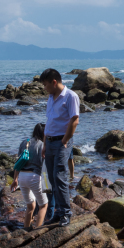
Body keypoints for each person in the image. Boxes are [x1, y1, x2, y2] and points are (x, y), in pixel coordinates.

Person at [41, 68, 79, 227]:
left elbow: (74, 120)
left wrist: (65, 140)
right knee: (51, 177)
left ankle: (66, 213)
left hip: (62, 142)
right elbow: (49, 122)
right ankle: (58, 212)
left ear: (54, 82)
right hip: (49, 141)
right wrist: (44, 143)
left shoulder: (71, 96)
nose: (44, 88)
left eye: (45, 84)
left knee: (59, 176)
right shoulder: (51, 97)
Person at [12, 123, 48, 230]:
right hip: (34, 176)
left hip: (22, 177)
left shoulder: (25, 142)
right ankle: (37, 231)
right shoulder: (42, 145)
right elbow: (44, 167)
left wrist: (15, 179)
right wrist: (47, 184)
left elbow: (18, 162)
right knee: (43, 205)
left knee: (30, 206)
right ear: (43, 133)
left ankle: (26, 229)